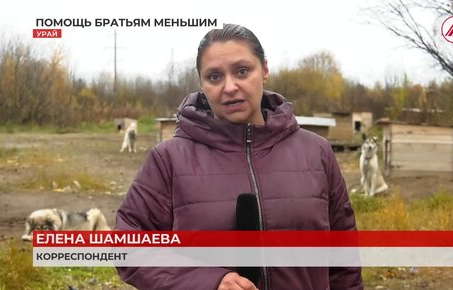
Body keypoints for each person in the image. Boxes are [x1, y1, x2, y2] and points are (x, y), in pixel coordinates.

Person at [115, 23, 363, 290]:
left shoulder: (316, 152)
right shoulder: (169, 160)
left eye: (242, 71)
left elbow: (343, 259)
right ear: (202, 83)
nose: (230, 87)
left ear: (264, 70)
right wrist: (207, 282)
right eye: (214, 77)